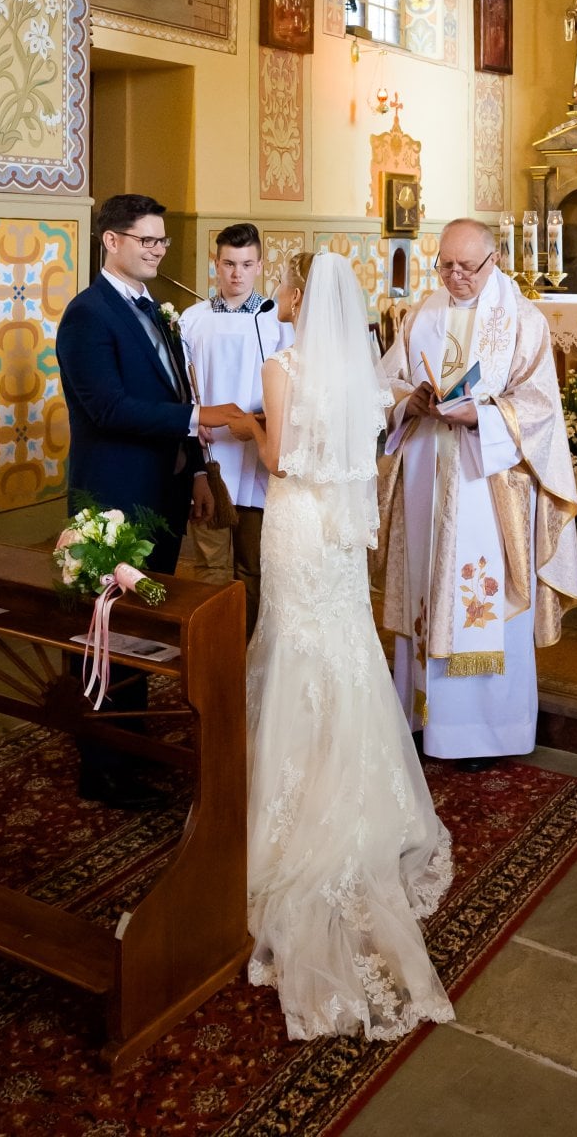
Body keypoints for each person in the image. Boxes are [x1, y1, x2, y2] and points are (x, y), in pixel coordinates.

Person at [221, 252, 454, 1041]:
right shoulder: (361, 374)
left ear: (293, 296)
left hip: (294, 523)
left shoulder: (284, 364)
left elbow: (282, 458)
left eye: (284, 289)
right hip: (339, 540)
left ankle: (293, 799)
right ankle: (348, 786)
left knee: (292, 649)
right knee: (343, 652)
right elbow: (364, 450)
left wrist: (246, 422)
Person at [56, 192, 241, 808]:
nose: (158, 250)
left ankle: (129, 747)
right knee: (106, 629)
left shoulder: (156, 311)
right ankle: (102, 766)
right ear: (111, 241)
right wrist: (199, 415)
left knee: (138, 630)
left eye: (162, 240)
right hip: (111, 496)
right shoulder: (89, 315)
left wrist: (191, 473)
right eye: (147, 240)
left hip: (158, 492)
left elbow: (171, 391)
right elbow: (107, 408)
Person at [377, 219, 577, 767]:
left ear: (494, 261)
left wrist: (482, 416)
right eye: (446, 264)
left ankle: (486, 732)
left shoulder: (522, 321)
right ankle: (424, 720)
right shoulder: (423, 313)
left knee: (479, 601)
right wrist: (409, 402)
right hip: (426, 478)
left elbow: (541, 408)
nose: (456, 275)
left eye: (467, 266)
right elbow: (387, 382)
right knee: (426, 586)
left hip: (487, 486)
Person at [178, 223, 291, 636]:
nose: (236, 274)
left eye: (246, 264)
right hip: (210, 459)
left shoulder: (276, 322)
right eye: (228, 263)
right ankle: (211, 644)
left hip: (256, 456)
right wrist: (194, 421)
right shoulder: (193, 320)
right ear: (215, 263)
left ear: (260, 265)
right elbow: (182, 384)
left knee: (253, 565)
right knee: (208, 563)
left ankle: (251, 644)